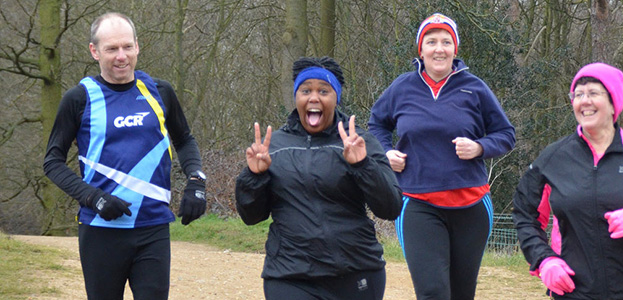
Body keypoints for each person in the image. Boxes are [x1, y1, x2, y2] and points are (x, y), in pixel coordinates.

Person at [43, 12, 206, 300]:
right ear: (94, 51)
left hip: (153, 228)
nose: (122, 56)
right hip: (100, 231)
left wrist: (196, 180)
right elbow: (52, 162)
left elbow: (185, 140)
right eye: (111, 49)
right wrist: (94, 197)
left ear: (137, 46)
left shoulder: (160, 91)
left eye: (127, 47)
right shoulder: (78, 99)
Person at [512, 62, 623, 299]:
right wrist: (544, 260)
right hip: (573, 291)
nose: (584, 101)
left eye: (593, 93)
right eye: (578, 95)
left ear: (613, 103)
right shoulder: (553, 159)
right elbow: (525, 215)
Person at [368, 13, 516, 299]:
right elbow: (376, 125)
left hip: (471, 205)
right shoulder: (402, 87)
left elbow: (505, 134)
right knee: (433, 291)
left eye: (446, 42)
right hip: (418, 203)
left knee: (461, 293)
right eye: (431, 41)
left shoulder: (475, 87)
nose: (439, 48)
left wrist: (480, 147)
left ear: (455, 49)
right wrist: (386, 152)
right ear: (420, 50)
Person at [235, 56, 403, 300]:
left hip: (356, 272)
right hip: (290, 276)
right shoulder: (274, 147)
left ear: (336, 98)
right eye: (306, 90)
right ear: (296, 98)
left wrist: (363, 165)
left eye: (323, 91)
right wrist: (254, 176)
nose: (314, 98)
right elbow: (251, 216)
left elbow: (390, 206)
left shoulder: (359, 143)